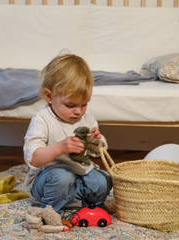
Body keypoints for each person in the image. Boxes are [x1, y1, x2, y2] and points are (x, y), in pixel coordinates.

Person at [23, 54, 112, 212]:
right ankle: (48, 210)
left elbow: (97, 153)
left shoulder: (86, 118)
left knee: (102, 180)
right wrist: (59, 148)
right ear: (49, 96)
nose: (78, 111)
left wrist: (97, 143)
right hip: (47, 180)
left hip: (78, 177)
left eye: (84, 104)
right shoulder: (42, 120)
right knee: (63, 177)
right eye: (70, 105)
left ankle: (92, 206)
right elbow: (34, 159)